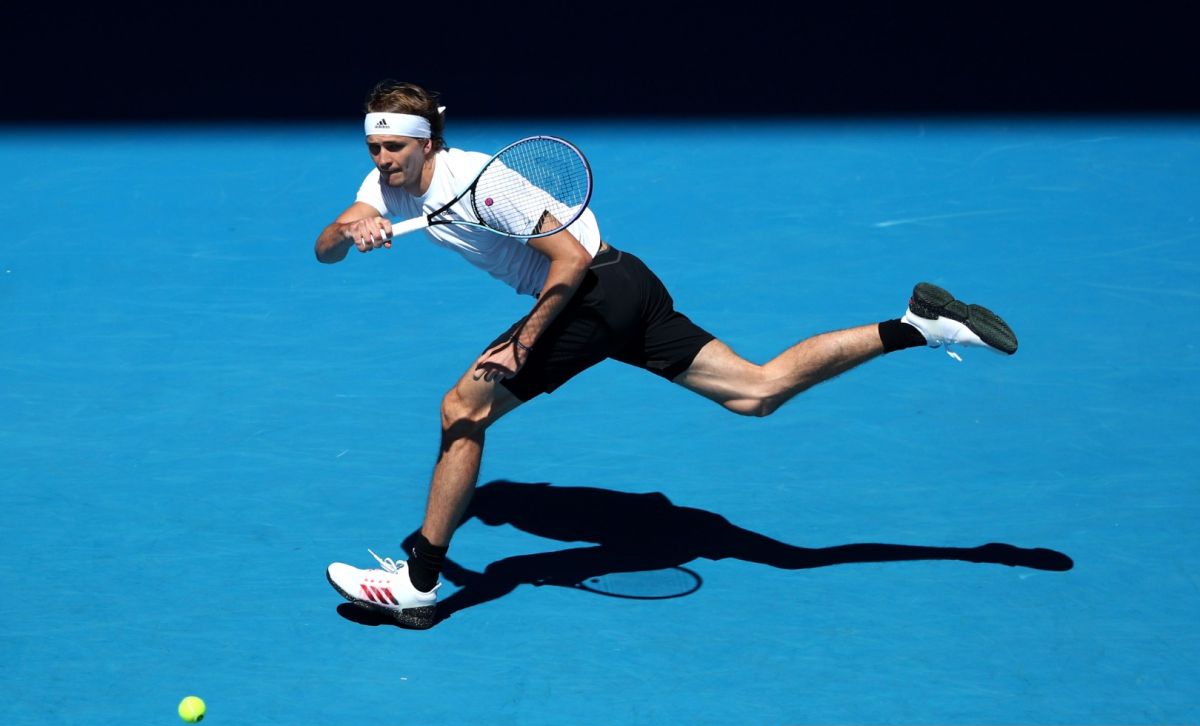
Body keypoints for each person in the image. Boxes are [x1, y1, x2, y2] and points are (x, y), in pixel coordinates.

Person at [316, 80, 1019, 629]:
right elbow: (325, 247)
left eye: (394, 150)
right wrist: (356, 227)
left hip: (588, 291)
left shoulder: (482, 182)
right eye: (374, 149)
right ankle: (919, 325)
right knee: (757, 392)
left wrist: (526, 337)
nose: (382, 161)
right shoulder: (385, 187)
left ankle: (417, 584)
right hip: (629, 284)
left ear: (429, 141)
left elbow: (565, 261)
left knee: (463, 407)